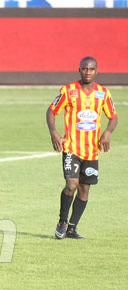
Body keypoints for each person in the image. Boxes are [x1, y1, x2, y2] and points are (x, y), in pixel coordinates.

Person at [47, 57, 118, 239]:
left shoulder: (103, 93)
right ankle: (62, 221)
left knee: (85, 189)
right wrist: (54, 131)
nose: (88, 72)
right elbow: (52, 111)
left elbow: (113, 117)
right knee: (71, 185)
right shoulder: (68, 91)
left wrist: (108, 132)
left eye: (91, 69)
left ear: (96, 71)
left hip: (92, 150)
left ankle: (72, 228)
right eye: (85, 69)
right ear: (79, 70)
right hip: (71, 147)